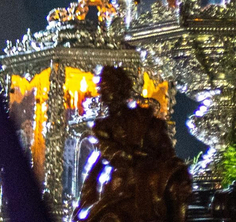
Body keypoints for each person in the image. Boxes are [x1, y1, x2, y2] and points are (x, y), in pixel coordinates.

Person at [73, 66, 192, 222]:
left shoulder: (144, 117)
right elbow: (110, 151)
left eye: (108, 88)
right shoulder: (103, 126)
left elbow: (163, 147)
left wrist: (154, 155)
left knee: (169, 178)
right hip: (123, 173)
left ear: (120, 89)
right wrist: (130, 155)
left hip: (148, 168)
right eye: (102, 89)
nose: (103, 93)